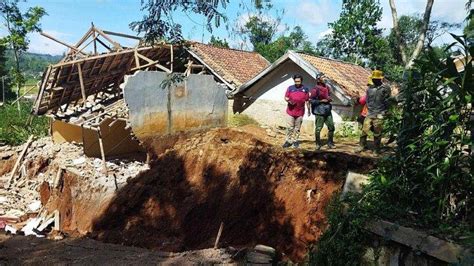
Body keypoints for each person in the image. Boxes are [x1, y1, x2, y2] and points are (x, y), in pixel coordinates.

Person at [355, 70, 391, 154]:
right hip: (370, 113)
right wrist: (369, 110)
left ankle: (376, 149)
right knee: (364, 130)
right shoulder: (369, 89)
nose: (375, 80)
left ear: (380, 79)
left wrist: (385, 112)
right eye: (374, 78)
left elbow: (388, 101)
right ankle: (361, 146)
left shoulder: (385, 88)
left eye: (376, 79)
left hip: (380, 113)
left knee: (377, 133)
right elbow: (367, 101)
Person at [282, 74, 310, 148]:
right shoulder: (290, 88)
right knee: (290, 127)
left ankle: (295, 141)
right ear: (294, 81)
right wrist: (289, 101)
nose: (297, 83)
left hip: (300, 112)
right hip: (290, 111)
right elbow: (286, 97)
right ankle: (288, 141)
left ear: (301, 81)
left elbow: (307, 100)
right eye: (296, 81)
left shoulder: (305, 89)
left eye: (299, 81)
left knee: (297, 128)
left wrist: (309, 110)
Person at [310, 76, 335, 150]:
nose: (325, 78)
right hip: (319, 111)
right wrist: (321, 101)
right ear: (319, 80)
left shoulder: (327, 88)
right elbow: (311, 100)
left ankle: (330, 142)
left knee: (331, 127)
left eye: (325, 77)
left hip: (327, 111)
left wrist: (329, 99)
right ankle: (318, 144)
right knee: (318, 128)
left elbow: (328, 96)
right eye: (323, 77)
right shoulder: (315, 89)